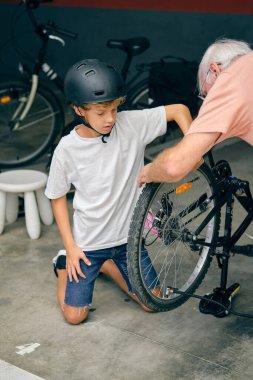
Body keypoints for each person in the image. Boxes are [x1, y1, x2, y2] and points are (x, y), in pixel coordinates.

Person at [45, 58, 192, 325]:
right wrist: (71, 246)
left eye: (114, 109)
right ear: (79, 110)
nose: (110, 119)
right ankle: (63, 264)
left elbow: (179, 110)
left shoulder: (131, 124)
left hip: (129, 240)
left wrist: (194, 149)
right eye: (101, 113)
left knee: (152, 303)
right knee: (75, 317)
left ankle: (110, 266)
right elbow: (56, 197)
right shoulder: (67, 149)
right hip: (88, 245)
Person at [138, 38, 253, 187]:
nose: (207, 101)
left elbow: (174, 166)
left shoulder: (228, 82)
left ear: (214, 70)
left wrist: (149, 171)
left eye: (206, 94)